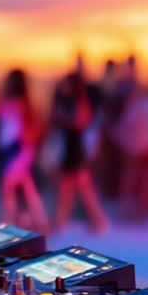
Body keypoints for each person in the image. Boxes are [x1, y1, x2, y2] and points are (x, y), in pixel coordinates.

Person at [52, 71, 109, 233]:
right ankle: (64, 222)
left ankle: (96, 222)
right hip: (71, 150)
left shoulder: (79, 102)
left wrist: (63, 118)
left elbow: (81, 121)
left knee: (81, 191)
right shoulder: (68, 102)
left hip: (76, 151)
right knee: (72, 191)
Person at [0, 69, 49, 232]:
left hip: (17, 149)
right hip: (17, 149)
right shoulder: (23, 103)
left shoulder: (16, 104)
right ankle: (40, 221)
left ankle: (10, 222)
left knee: (9, 186)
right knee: (26, 186)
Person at [114, 68, 148, 220]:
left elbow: (123, 127)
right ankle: (142, 211)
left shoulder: (134, 106)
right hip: (147, 147)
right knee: (143, 180)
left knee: (132, 179)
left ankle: (129, 211)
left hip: (136, 149)